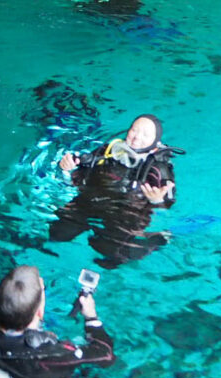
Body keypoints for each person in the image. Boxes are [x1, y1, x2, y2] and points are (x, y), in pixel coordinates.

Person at [50, 114, 177, 267]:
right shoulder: (108, 150)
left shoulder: (158, 170)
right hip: (91, 201)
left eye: (145, 135)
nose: (137, 138)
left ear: (155, 141)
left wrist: (157, 201)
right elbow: (81, 173)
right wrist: (66, 169)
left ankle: (158, 239)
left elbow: (167, 206)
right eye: (134, 130)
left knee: (111, 255)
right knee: (58, 233)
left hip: (127, 213)